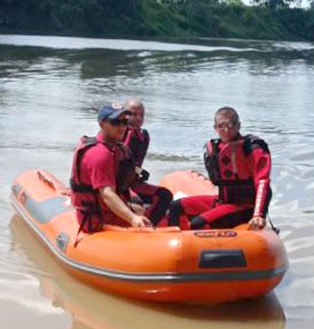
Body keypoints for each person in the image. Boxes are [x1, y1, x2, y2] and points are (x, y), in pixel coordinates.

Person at [167, 107, 272, 230]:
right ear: (215, 128)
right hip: (222, 201)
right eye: (222, 126)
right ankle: (171, 243)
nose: (227, 130)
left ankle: (195, 246)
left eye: (231, 125)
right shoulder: (216, 148)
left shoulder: (252, 148)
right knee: (175, 206)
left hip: (246, 206)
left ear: (239, 126)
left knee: (198, 224)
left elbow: (263, 182)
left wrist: (258, 214)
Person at [70, 103, 152, 233]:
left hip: (108, 211)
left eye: (124, 122)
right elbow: (107, 194)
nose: (121, 127)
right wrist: (132, 218)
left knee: (141, 206)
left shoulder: (115, 148)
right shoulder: (99, 154)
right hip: (98, 220)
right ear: (102, 124)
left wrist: (135, 204)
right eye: (115, 122)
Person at [121, 99, 172, 226]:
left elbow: (133, 164)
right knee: (160, 197)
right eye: (134, 114)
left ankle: (151, 225)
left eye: (141, 115)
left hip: (134, 182)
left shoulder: (143, 135)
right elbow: (121, 165)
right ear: (124, 115)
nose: (138, 118)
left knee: (165, 195)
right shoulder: (121, 134)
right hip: (120, 186)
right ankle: (146, 226)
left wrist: (140, 172)